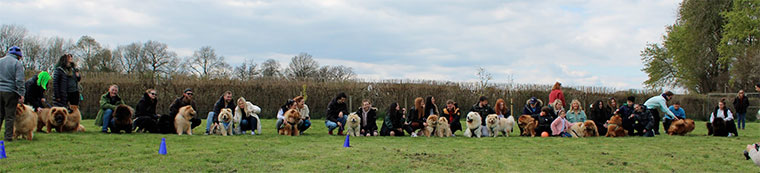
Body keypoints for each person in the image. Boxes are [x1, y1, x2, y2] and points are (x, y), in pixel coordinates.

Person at [0, 46, 25, 141]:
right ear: (18, 56)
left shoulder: (0, 61)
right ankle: (8, 137)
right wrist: (21, 93)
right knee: (9, 116)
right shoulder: (17, 64)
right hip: (10, 92)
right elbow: (19, 80)